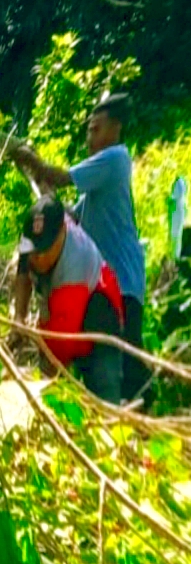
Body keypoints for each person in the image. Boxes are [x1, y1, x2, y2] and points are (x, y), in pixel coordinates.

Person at [13, 93, 148, 404]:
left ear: (115, 128)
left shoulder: (115, 159)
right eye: (89, 130)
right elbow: (68, 216)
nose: (90, 138)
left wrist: (32, 160)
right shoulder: (99, 185)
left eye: (95, 129)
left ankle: (141, 412)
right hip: (103, 282)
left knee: (124, 358)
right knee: (116, 356)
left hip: (122, 278)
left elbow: (60, 178)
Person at [17, 195, 124, 404]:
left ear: (61, 235)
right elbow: (22, 273)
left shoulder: (75, 264)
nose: (36, 258)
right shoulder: (33, 238)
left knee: (102, 392)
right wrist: (19, 318)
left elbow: (58, 349)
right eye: (33, 251)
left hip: (99, 319)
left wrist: (37, 394)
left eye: (43, 251)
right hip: (64, 314)